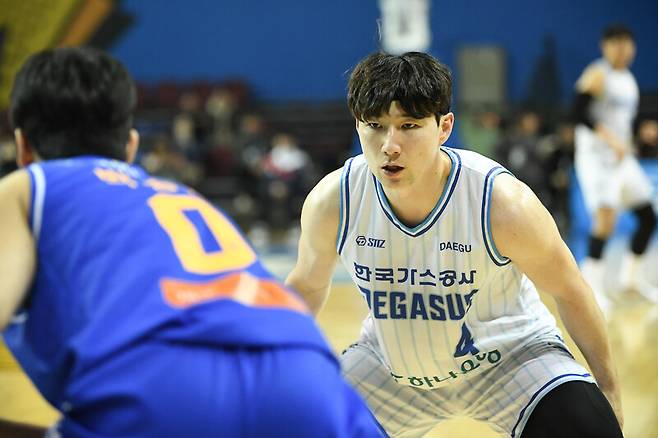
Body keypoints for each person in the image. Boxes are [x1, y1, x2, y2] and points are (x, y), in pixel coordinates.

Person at [0, 47, 384, 438]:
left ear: (23, 148)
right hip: (311, 382)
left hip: (164, 389)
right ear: (131, 147)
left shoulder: (29, 189)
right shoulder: (183, 198)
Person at [286, 51, 623, 437]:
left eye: (409, 125)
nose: (390, 145)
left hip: (512, 359)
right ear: (358, 125)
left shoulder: (501, 203)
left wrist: (610, 390)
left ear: (444, 127)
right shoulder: (335, 200)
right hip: (391, 370)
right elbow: (307, 286)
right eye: (375, 125)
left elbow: (570, 290)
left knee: (591, 431)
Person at [573, 24, 658, 313]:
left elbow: (621, 121)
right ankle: (589, 288)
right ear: (605, 46)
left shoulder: (628, 80)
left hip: (622, 158)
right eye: (615, 43)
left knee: (647, 216)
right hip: (597, 159)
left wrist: (640, 134)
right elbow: (578, 112)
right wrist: (610, 139)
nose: (622, 49)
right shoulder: (598, 74)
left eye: (626, 44)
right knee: (605, 221)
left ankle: (630, 280)